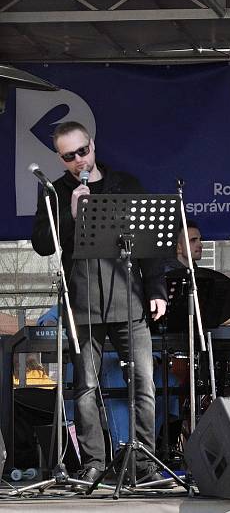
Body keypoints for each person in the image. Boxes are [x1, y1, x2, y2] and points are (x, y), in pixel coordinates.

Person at [31, 121, 168, 491]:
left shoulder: (125, 184)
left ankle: (143, 463)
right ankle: (93, 462)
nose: (79, 160)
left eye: (83, 151)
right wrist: (72, 215)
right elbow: (42, 243)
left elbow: (151, 244)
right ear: (60, 159)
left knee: (143, 382)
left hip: (129, 298)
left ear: (93, 146)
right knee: (87, 386)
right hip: (83, 302)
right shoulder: (54, 192)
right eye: (69, 156)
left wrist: (157, 290)